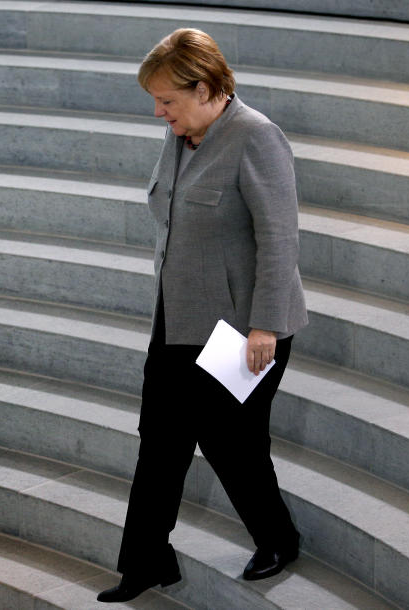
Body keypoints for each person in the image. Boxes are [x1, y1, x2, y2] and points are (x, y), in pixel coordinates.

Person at [97, 28, 309, 603]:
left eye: (167, 99)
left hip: (241, 331)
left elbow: (279, 238)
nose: (158, 111)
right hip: (177, 320)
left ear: (207, 87)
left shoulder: (256, 137)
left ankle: (279, 539)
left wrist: (265, 324)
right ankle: (146, 561)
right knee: (159, 440)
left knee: (231, 444)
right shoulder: (182, 135)